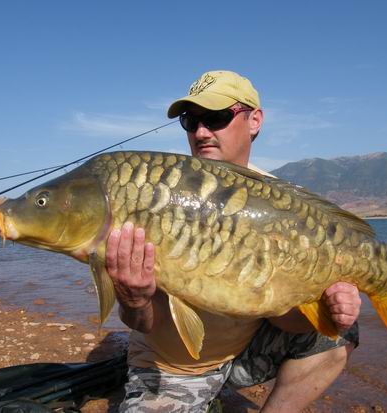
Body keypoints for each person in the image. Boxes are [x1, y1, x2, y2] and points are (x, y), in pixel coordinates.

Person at [106, 70, 361, 413]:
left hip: (242, 353)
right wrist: (134, 300)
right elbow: (143, 323)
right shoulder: (154, 195)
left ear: (254, 121)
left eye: (215, 117)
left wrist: (328, 308)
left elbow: (281, 318)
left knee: (338, 332)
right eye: (190, 121)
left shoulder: (283, 205)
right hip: (173, 368)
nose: (200, 132)